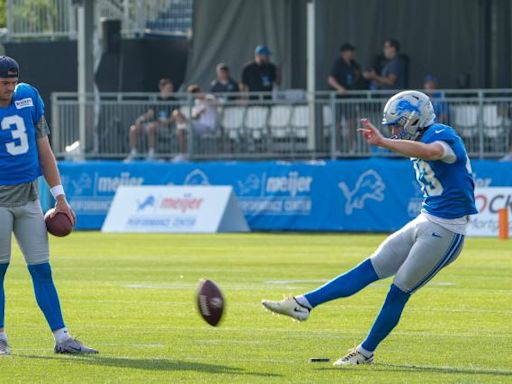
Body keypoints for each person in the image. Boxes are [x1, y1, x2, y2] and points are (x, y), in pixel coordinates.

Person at [262, 90, 477, 366]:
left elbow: (431, 152)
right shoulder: (422, 135)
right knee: (370, 267)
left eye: (399, 124)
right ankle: (303, 304)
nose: (396, 131)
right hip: (426, 218)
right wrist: (388, 140)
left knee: (399, 289)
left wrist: (384, 142)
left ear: (413, 119)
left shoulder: (441, 134)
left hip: (447, 230)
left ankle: (365, 352)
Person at [0, 56, 97, 355]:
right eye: (4, 83)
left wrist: (60, 197)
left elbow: (45, 151)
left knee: (42, 270)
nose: (10, 89)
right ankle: (0, 337)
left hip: (29, 197)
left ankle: (62, 338)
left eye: (13, 82)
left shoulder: (28, 97)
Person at [126, 78, 178, 161]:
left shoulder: (175, 100)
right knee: (133, 129)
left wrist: (165, 122)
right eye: (168, 88)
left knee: (151, 127)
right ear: (161, 88)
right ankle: (134, 153)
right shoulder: (155, 99)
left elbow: (173, 118)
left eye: (171, 88)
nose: (170, 90)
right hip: (154, 125)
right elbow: (150, 113)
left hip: (165, 128)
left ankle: (152, 154)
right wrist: (140, 119)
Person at [327, 43, 363, 153]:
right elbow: (330, 79)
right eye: (349, 51)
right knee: (337, 124)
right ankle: (337, 148)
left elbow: (358, 75)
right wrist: (340, 88)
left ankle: (351, 147)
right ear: (344, 53)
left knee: (351, 123)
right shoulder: (338, 63)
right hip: (339, 98)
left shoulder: (353, 64)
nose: (351, 54)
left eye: (352, 52)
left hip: (351, 98)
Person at [172, 84, 219, 161]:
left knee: (185, 126)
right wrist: (198, 113)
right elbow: (194, 117)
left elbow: (217, 103)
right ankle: (183, 154)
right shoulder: (196, 103)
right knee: (180, 127)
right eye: (194, 94)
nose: (196, 94)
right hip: (199, 127)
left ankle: (187, 153)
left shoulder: (209, 97)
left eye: (197, 92)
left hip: (209, 127)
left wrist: (205, 100)